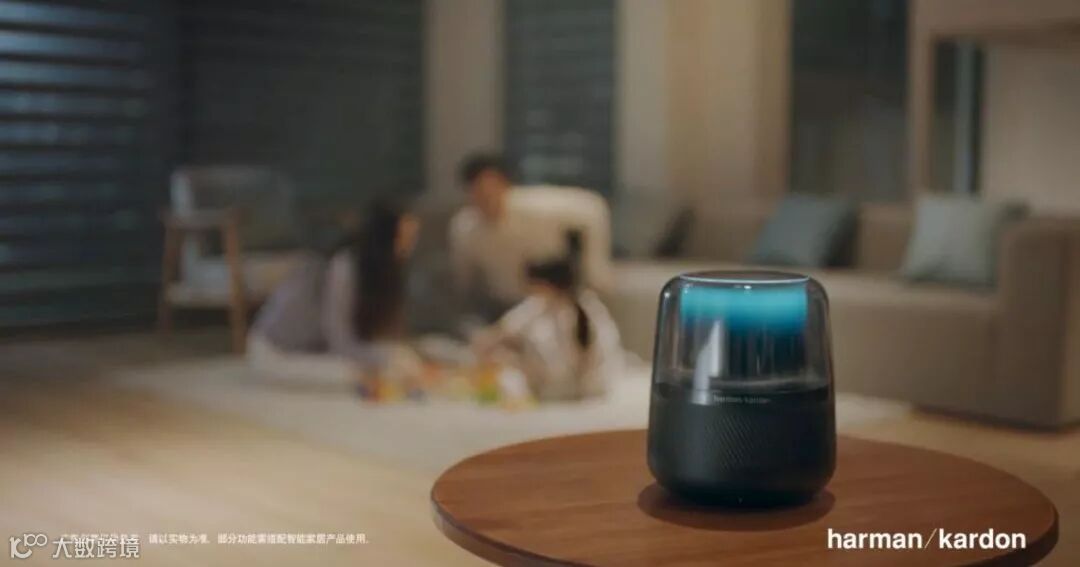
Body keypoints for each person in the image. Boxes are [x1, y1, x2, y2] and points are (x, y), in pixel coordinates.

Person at [248, 199, 423, 389]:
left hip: (315, 350)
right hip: (277, 351)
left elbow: (377, 337)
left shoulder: (384, 272)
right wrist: (386, 356)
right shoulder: (344, 265)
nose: (409, 246)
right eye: (403, 237)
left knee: (388, 365)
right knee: (352, 374)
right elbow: (340, 341)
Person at [472, 231, 622, 401]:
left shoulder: (579, 311)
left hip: (572, 389)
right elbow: (501, 332)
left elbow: (556, 365)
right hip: (581, 387)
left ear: (545, 284)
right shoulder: (541, 306)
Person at [449, 153, 531, 323]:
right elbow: (464, 280)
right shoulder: (464, 228)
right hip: (497, 306)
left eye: (492, 186)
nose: (487, 194)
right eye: (478, 189)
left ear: (506, 185)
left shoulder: (532, 216)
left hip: (537, 300)